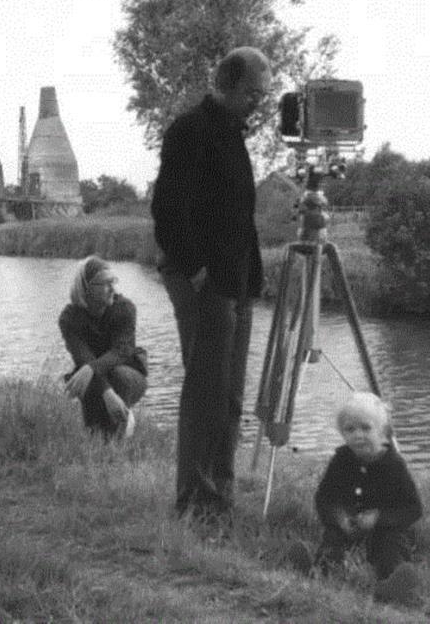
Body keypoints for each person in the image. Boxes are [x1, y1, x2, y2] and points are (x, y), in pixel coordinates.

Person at [151, 46, 272, 522]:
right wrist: (196, 269)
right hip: (205, 283)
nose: (257, 103)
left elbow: (239, 217)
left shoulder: (234, 136)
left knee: (233, 394)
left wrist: (253, 276)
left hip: (237, 284)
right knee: (206, 392)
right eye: (250, 93)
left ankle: (219, 495)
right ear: (225, 83)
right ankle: (194, 504)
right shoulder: (190, 131)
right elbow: (168, 210)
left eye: (261, 95)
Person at [313, 392, 423, 601]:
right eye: (350, 429)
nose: (358, 435)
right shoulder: (341, 460)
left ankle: (393, 584)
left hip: (387, 528)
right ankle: (318, 572)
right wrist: (338, 517)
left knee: (391, 548)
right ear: (342, 433)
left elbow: (413, 509)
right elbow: (324, 498)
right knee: (332, 540)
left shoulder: (394, 465)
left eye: (366, 428)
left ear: (382, 432)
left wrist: (379, 518)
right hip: (350, 526)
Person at [58, 255, 148, 439]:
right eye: (105, 284)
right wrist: (107, 392)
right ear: (86, 288)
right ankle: (102, 433)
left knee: (115, 376)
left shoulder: (124, 308)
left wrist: (91, 368)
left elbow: (122, 351)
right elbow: (83, 357)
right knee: (96, 436)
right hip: (93, 376)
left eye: (113, 281)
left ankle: (124, 420)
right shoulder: (70, 318)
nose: (112, 289)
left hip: (129, 372)